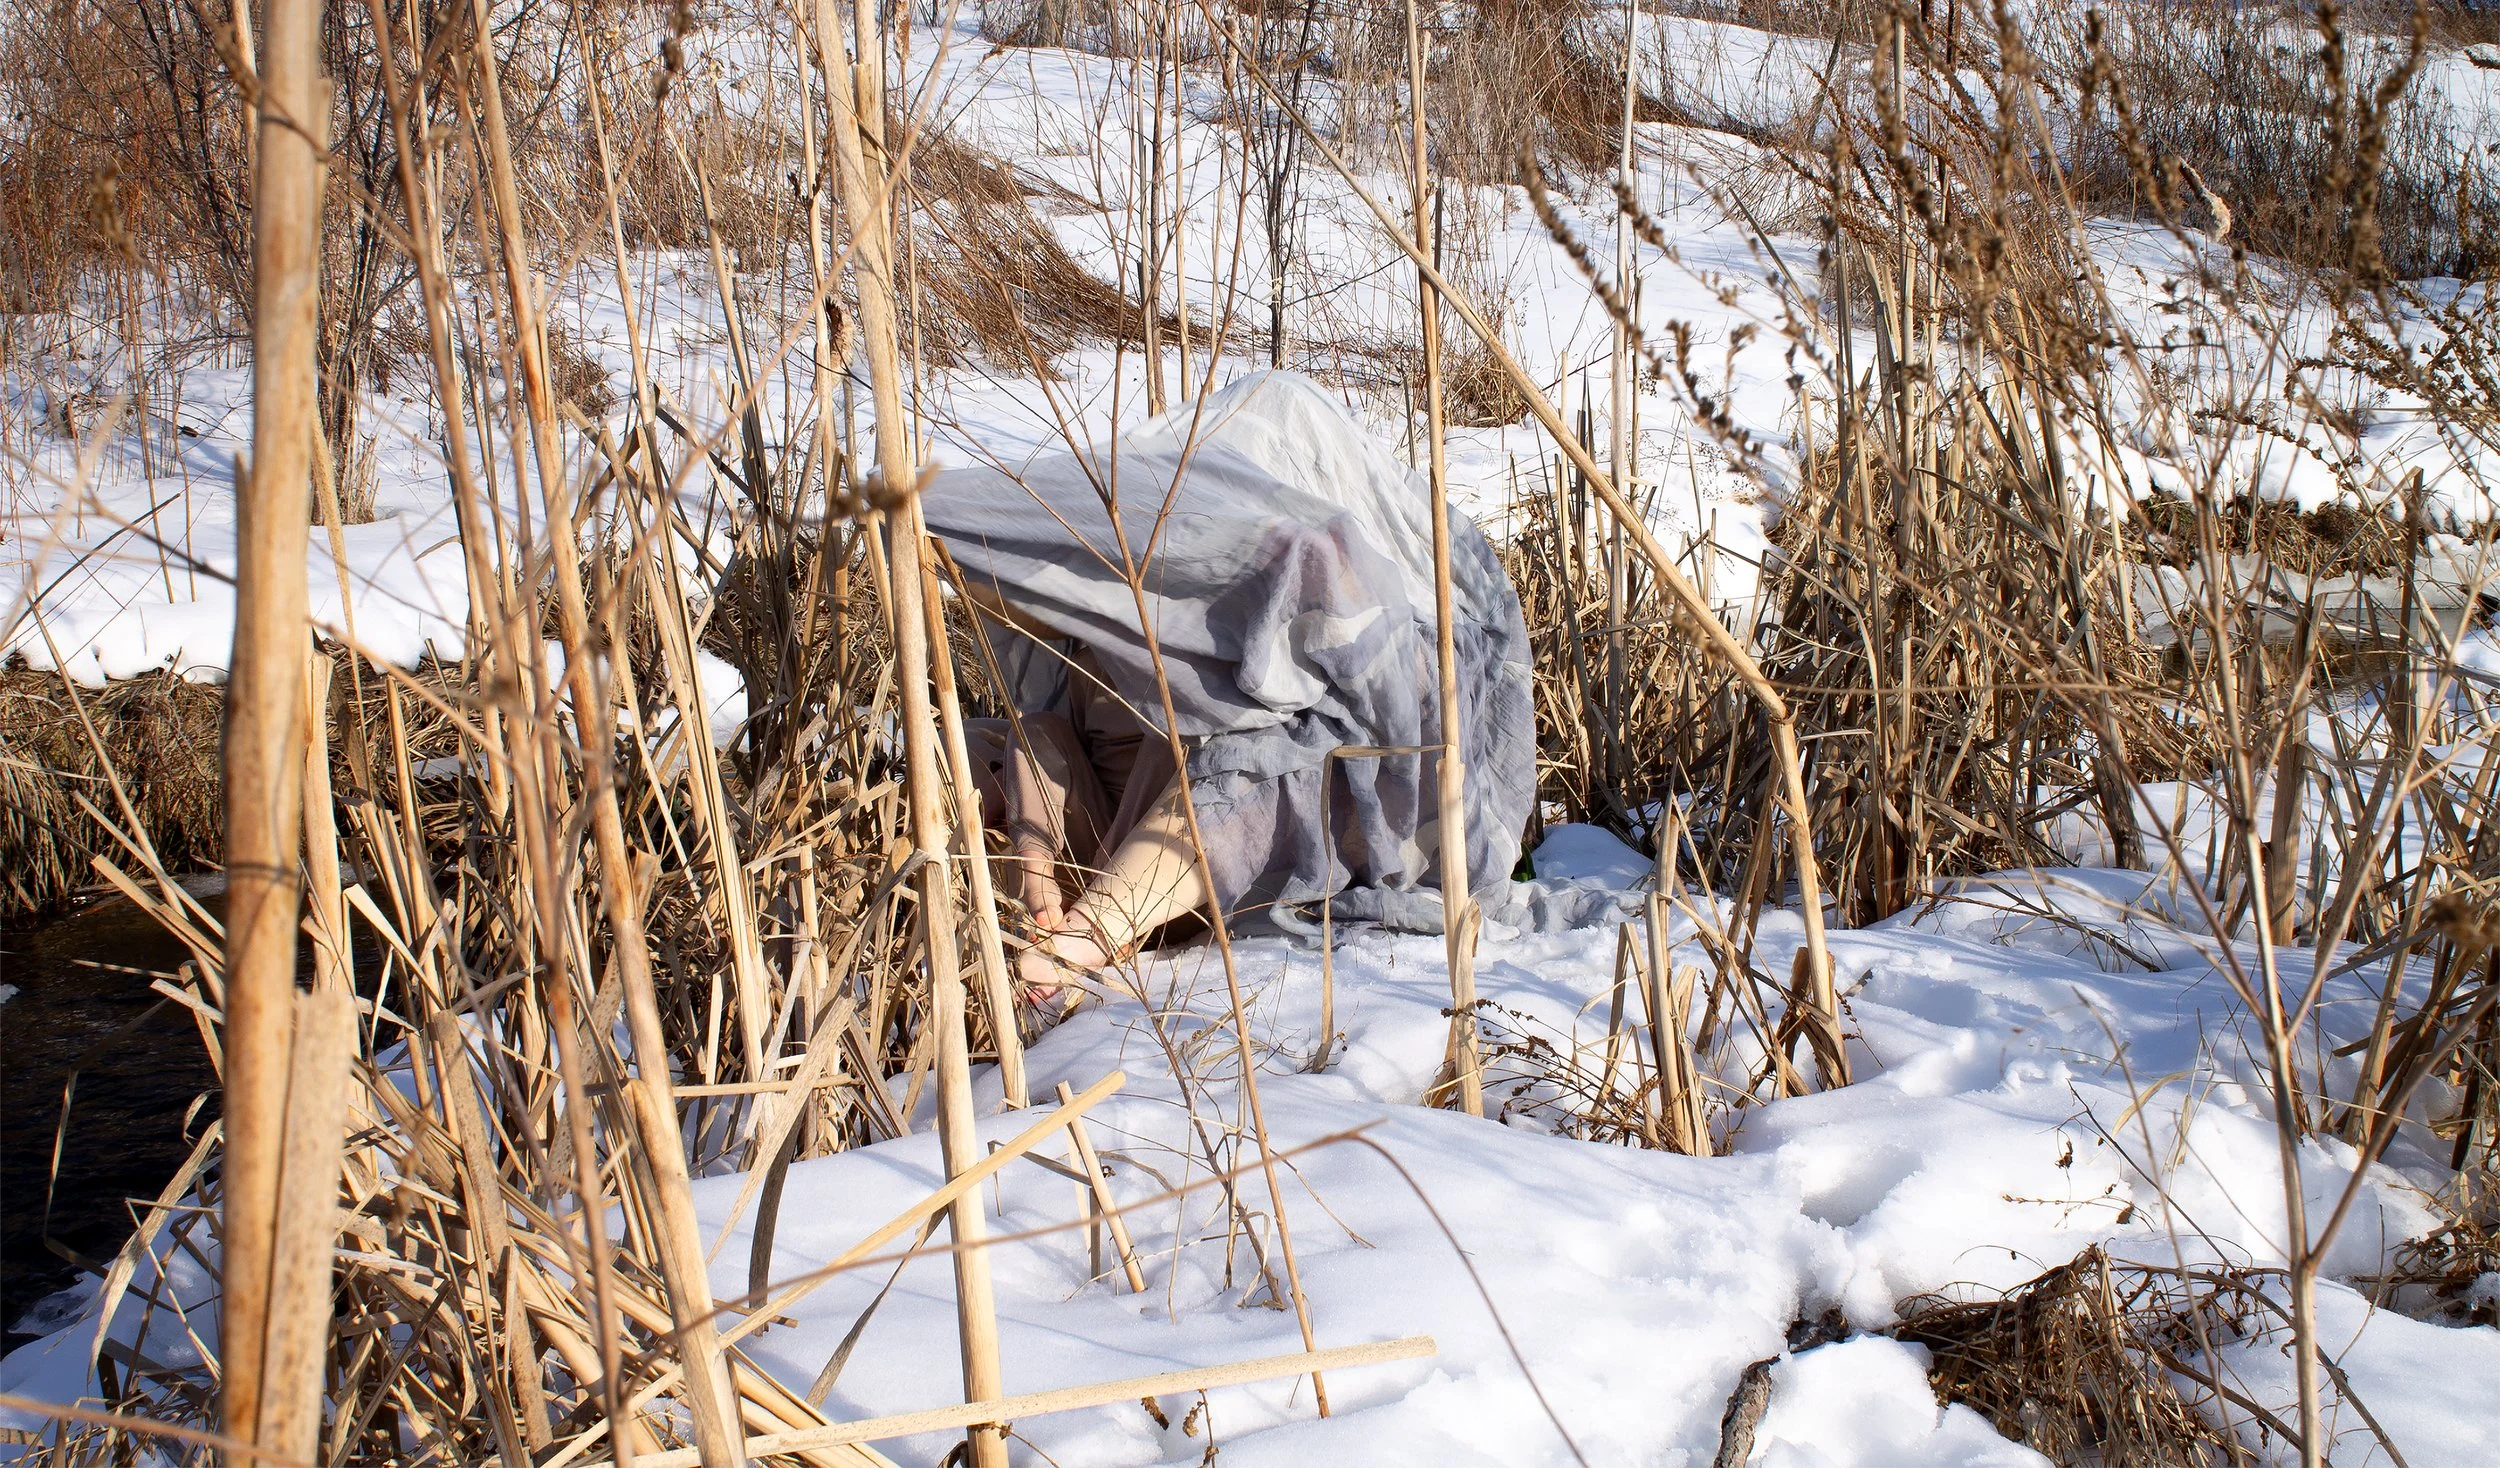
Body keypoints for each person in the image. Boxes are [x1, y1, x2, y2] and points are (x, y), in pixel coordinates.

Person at [921, 371, 1537, 1009]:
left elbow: (1336, 614)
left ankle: (1088, 933)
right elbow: (1038, 734)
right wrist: (1036, 869)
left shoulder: (1303, 600)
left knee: (1256, 772)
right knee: (987, 741)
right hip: (1097, 833)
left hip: (1194, 864)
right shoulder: (1085, 644)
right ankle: (1044, 911)